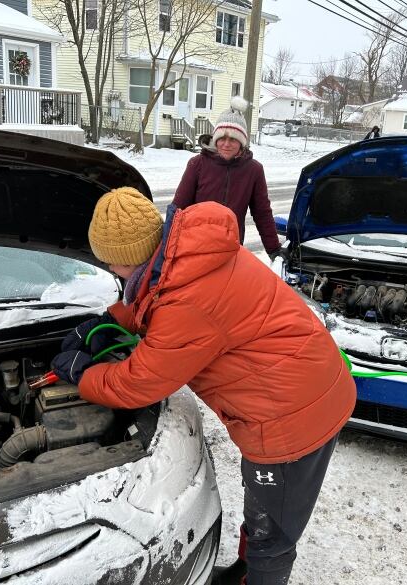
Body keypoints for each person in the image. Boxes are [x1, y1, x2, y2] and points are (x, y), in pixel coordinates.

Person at [51, 187, 356, 585]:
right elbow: (155, 297)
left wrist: (82, 374)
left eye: (111, 262)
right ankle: (248, 572)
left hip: (293, 418)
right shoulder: (191, 256)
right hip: (298, 387)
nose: (110, 269)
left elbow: (138, 383)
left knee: (274, 530)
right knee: (264, 506)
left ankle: (260, 574)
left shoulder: (189, 299)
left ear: (131, 257)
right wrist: (107, 320)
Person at [173, 96, 281, 260]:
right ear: (215, 139)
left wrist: (274, 250)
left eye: (233, 139)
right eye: (222, 138)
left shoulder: (254, 170)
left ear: (242, 143)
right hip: (195, 247)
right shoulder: (198, 164)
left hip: (231, 248)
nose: (226, 144)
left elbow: (262, 213)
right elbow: (178, 209)